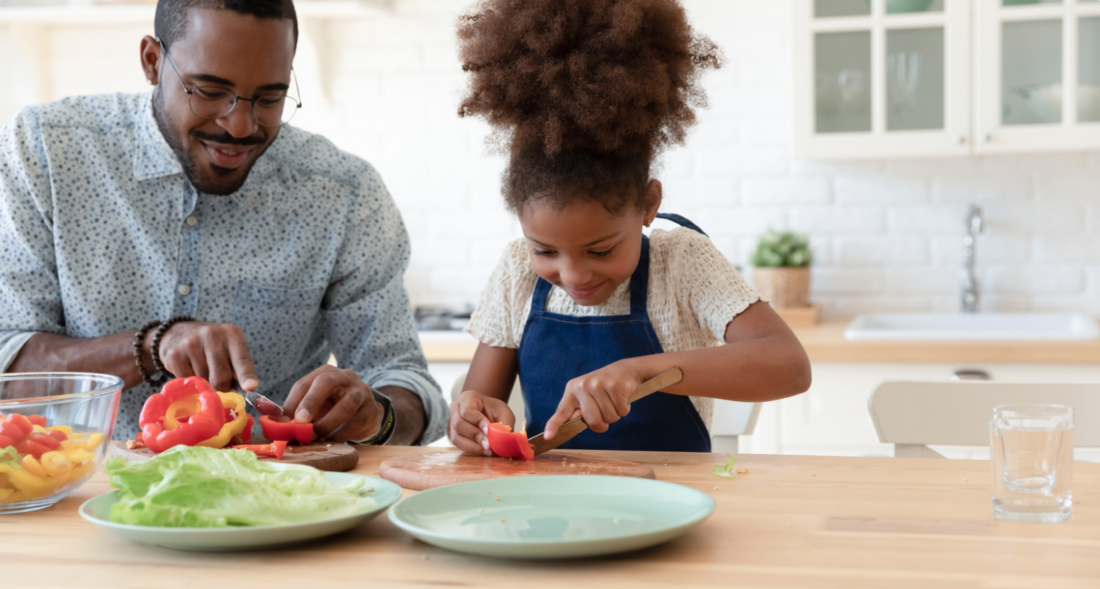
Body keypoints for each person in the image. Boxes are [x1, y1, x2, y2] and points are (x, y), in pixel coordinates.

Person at [0, 0, 446, 445]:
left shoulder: (343, 192)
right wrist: (152, 345)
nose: (239, 125)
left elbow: (404, 380)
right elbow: (8, 360)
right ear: (152, 61)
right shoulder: (44, 152)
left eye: (269, 98)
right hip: (73, 493)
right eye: (209, 91)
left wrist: (376, 417)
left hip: (278, 499)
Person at [447, 0, 812, 454]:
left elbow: (790, 366)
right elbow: (482, 402)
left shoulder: (682, 262)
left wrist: (644, 371)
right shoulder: (515, 273)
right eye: (544, 250)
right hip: (550, 512)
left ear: (648, 203)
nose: (574, 274)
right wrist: (471, 419)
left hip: (674, 505)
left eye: (600, 250)